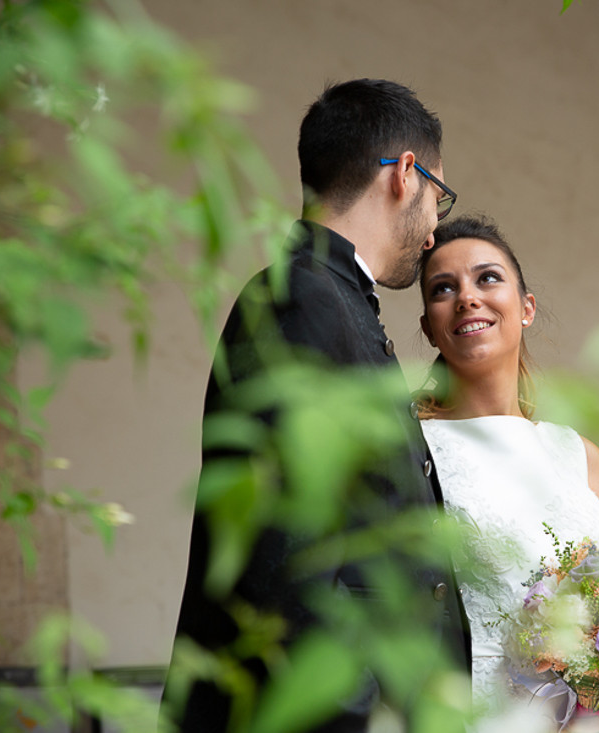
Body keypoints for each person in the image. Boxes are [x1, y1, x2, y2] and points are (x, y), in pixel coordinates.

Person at [166, 79, 470, 732]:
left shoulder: (329, 295)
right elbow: (285, 561)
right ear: (405, 175)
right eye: (439, 195)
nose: (436, 224)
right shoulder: (302, 299)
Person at [414, 216, 599, 733]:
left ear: (526, 308)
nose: (467, 298)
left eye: (488, 278)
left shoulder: (579, 454)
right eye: (443, 288)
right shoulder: (412, 449)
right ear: (430, 325)